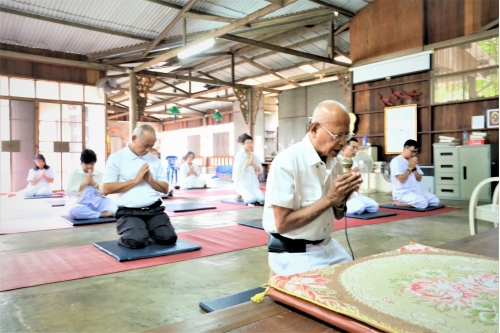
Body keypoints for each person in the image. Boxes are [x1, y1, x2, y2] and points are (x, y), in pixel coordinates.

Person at [263, 100, 363, 276]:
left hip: (326, 245)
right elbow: (282, 224)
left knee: (355, 279)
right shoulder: (287, 162)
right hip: (293, 252)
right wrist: (330, 199)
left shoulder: (336, 163)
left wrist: (343, 196)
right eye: (337, 135)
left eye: (346, 135)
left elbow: (338, 215)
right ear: (314, 129)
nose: (343, 143)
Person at [102, 124, 177, 249]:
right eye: (146, 145)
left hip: (154, 210)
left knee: (169, 238)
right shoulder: (116, 158)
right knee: (137, 241)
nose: (148, 149)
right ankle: (138, 230)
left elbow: (165, 188)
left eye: (151, 146)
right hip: (129, 212)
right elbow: (106, 189)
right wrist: (136, 180)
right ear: (134, 138)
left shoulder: (154, 159)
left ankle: (146, 228)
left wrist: (151, 180)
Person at [65, 149, 117, 219]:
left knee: (117, 207)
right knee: (73, 211)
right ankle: (100, 215)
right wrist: (86, 182)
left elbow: (105, 191)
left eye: (92, 164)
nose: (89, 166)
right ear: (82, 163)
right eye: (87, 164)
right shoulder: (74, 173)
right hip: (81, 203)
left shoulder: (99, 174)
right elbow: (69, 192)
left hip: (98, 202)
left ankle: (92, 214)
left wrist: (93, 183)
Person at [390, 139, 440, 209]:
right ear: (405, 149)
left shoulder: (412, 161)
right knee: (423, 203)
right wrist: (410, 168)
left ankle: (414, 202)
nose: (414, 154)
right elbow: (401, 179)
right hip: (403, 193)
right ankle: (402, 204)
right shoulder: (396, 161)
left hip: (416, 191)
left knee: (435, 200)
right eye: (412, 151)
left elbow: (419, 179)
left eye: (416, 152)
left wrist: (414, 168)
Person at [342, 138, 379, 215]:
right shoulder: (338, 161)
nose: (355, 150)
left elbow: (357, 182)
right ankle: (340, 208)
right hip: (343, 195)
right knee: (360, 208)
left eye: (357, 148)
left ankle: (354, 205)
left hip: (354, 194)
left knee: (374, 206)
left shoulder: (354, 162)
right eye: (353, 147)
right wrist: (351, 172)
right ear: (345, 147)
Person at [233, 133, 264, 204]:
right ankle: (240, 193)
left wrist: (253, 163)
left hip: (253, 180)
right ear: (243, 144)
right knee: (251, 200)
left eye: (251, 143)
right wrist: (249, 161)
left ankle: (242, 194)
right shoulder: (239, 155)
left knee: (261, 199)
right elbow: (238, 171)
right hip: (243, 180)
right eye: (247, 143)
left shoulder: (254, 155)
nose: (249, 144)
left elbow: (260, 170)